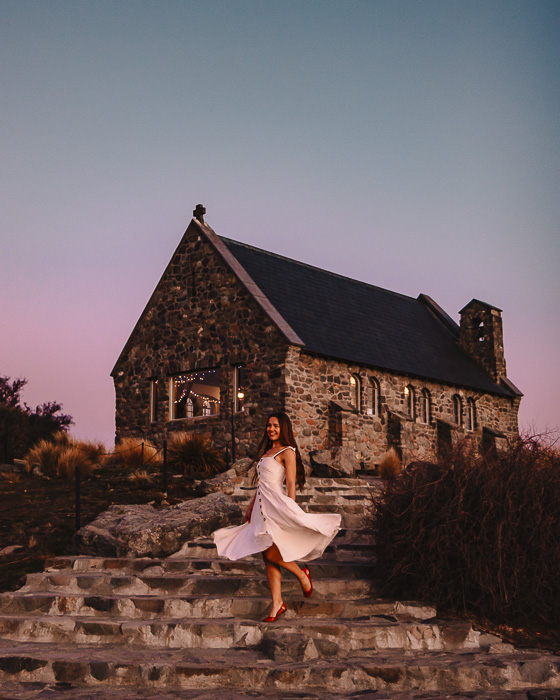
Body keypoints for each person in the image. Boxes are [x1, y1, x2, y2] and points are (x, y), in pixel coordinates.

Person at [213, 412, 341, 622]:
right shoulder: (267, 452)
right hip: (261, 508)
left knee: (272, 554)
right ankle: (277, 604)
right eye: (269, 425)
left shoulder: (287, 451)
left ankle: (301, 575)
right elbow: (261, 483)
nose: (271, 429)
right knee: (266, 555)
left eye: (275, 426)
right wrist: (251, 505)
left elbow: (290, 482)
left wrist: (290, 506)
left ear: (284, 428)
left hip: (276, 505)